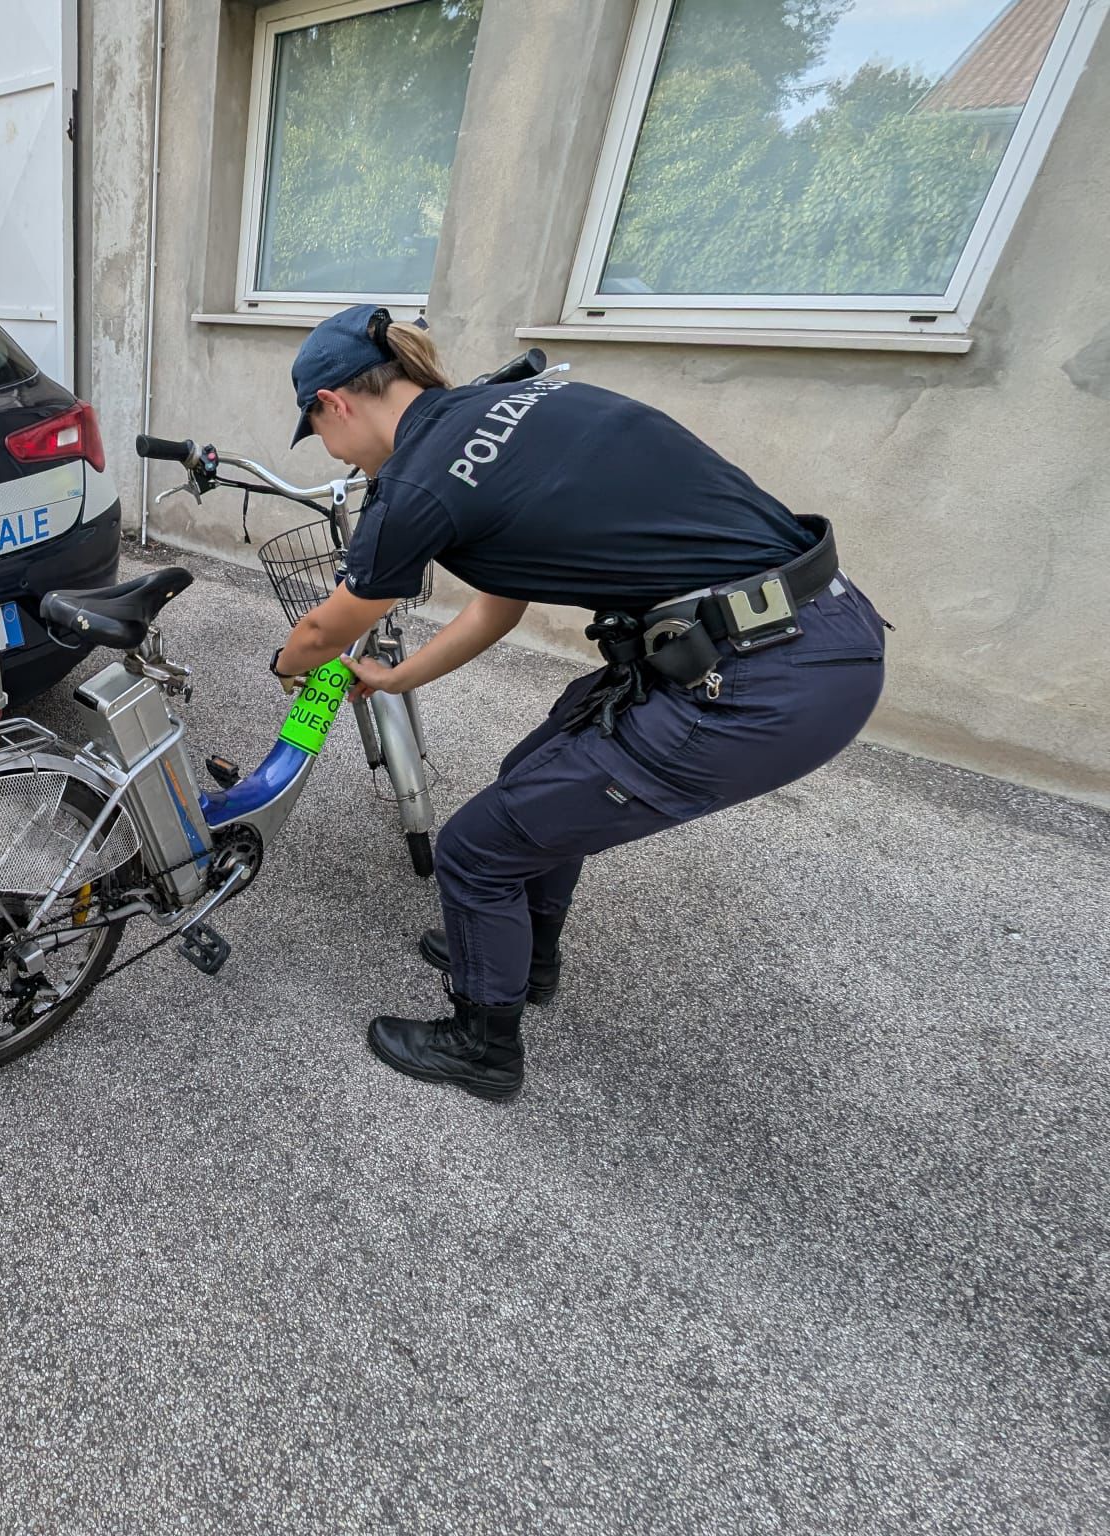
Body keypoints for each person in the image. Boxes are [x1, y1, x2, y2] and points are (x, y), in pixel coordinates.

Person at [269, 305, 886, 1102]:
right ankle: (525, 962)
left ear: (335, 402)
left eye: (317, 431)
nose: (335, 455)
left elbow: (323, 631)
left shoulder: (416, 482)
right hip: (816, 626)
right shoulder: (515, 408)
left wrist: (286, 666)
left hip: (762, 683)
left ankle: (481, 1045)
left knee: (477, 848)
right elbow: (500, 605)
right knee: (536, 772)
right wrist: (397, 678)